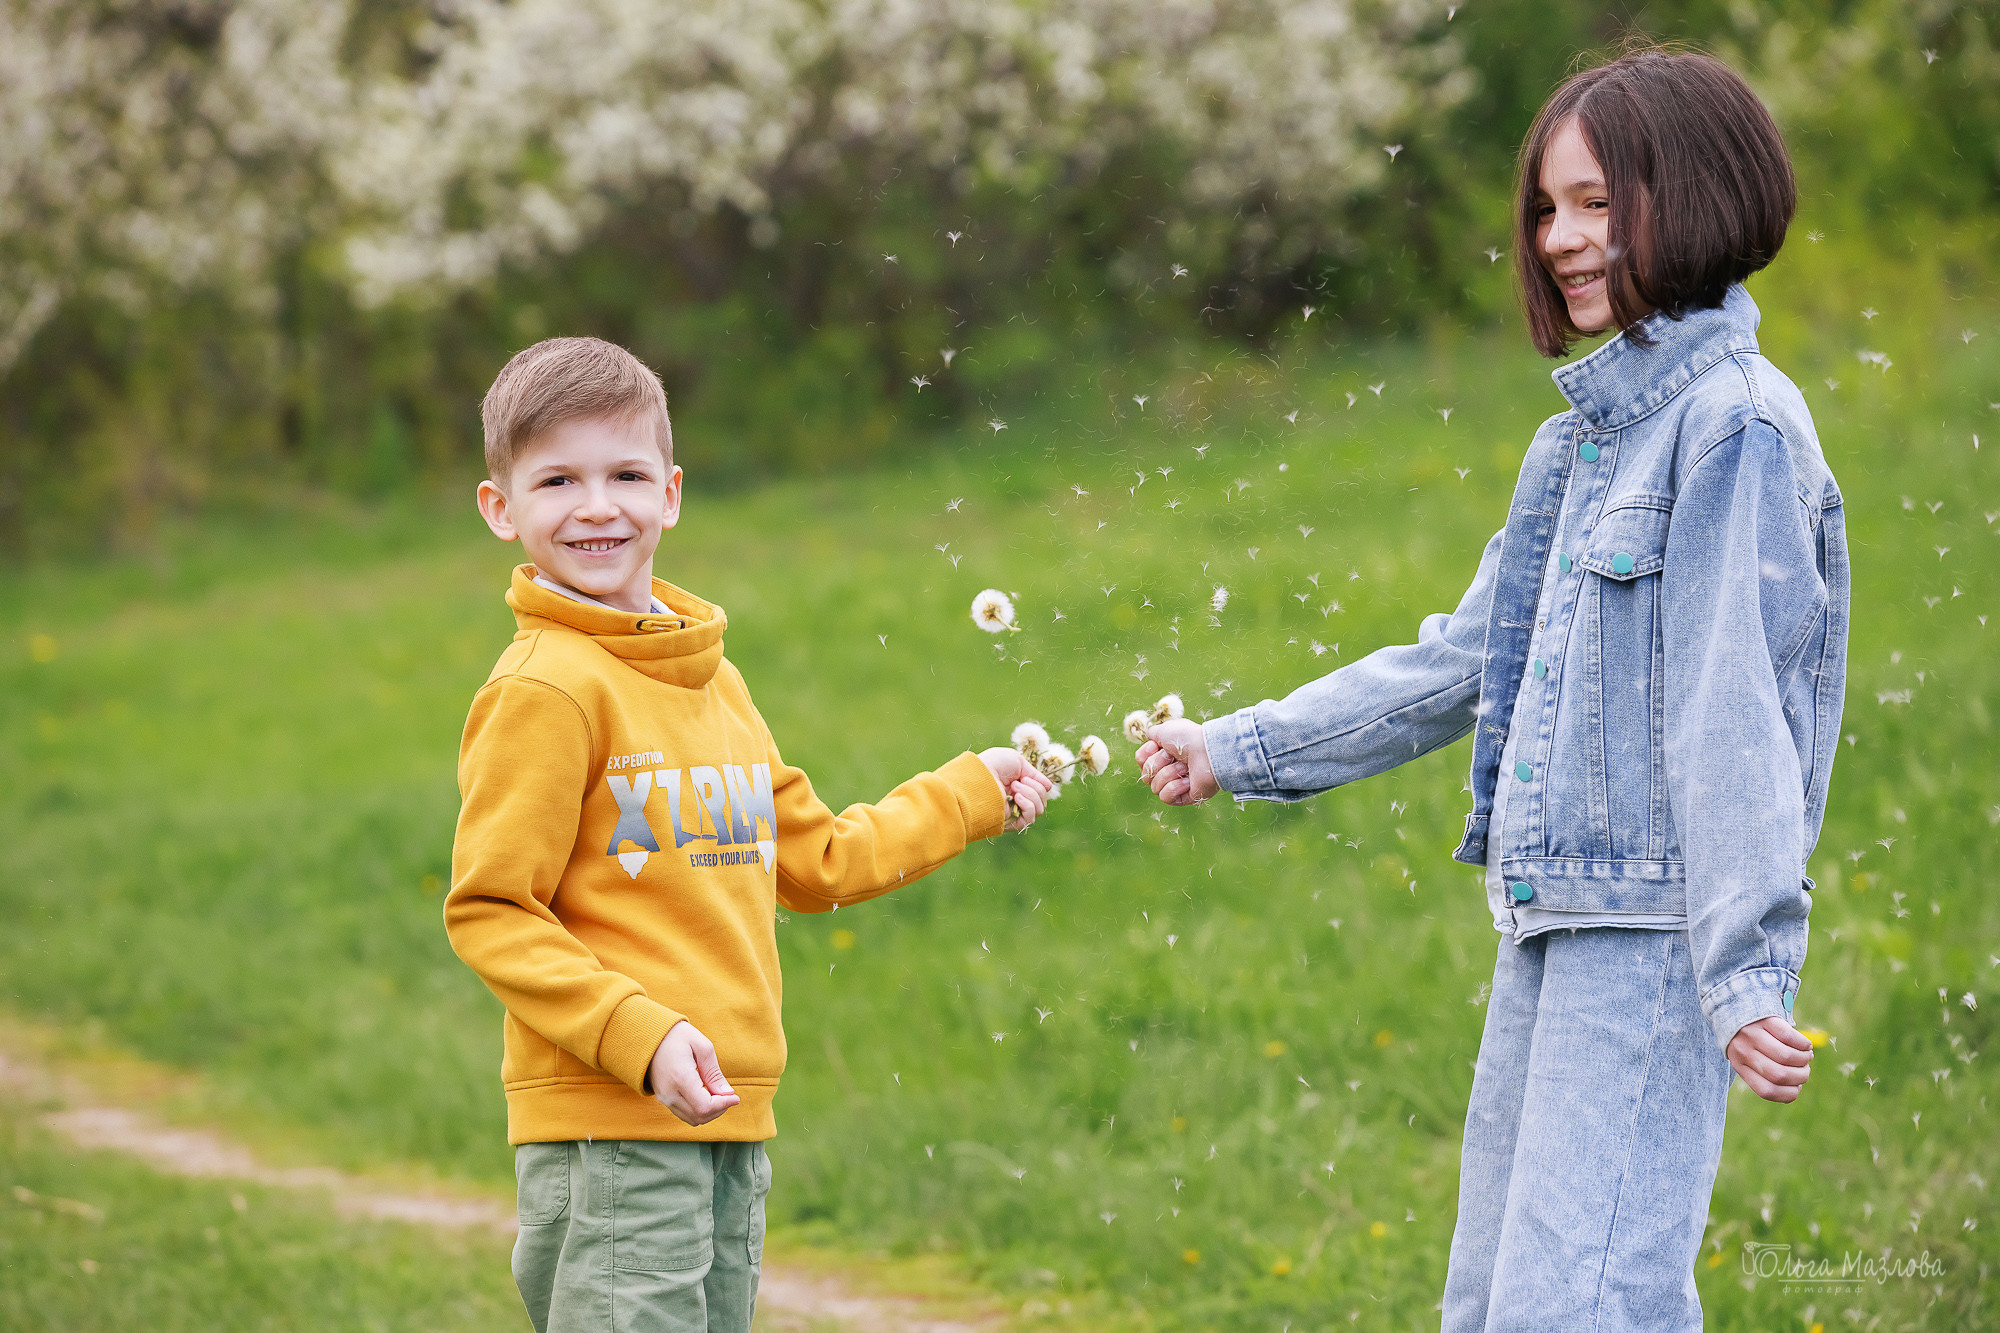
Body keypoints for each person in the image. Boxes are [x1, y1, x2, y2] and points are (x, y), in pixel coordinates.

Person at [1136, 46, 1846, 1330]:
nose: (1560, 239)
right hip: (1551, 924)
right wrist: (1239, 746)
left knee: (1578, 1310)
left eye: (1596, 203)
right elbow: (1464, 657)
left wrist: (1746, 967)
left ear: (1693, 196)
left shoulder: (1731, 427)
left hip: (1647, 938)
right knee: (1490, 1307)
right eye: (1545, 207)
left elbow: (1731, 713)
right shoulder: (1580, 441)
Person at [442, 335, 1053, 1333]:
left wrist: (968, 794)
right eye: (557, 479)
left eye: (625, 474)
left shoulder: (711, 680)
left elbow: (814, 862)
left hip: (727, 1115)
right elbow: (491, 911)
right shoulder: (546, 688)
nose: (597, 505)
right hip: (610, 1131)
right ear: (500, 508)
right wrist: (640, 1036)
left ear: (671, 493)